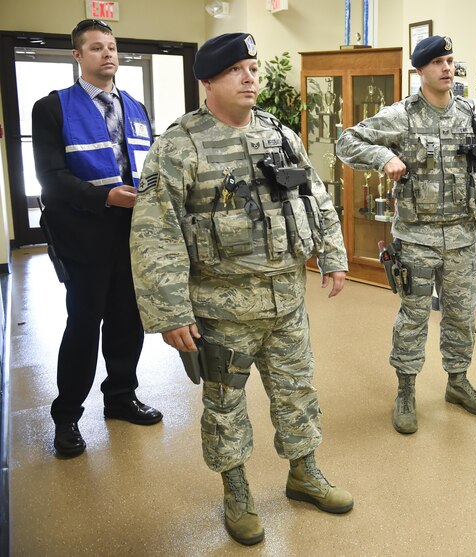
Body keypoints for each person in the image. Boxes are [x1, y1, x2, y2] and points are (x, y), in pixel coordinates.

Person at [129, 33, 353, 546]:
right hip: (221, 309)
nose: (250, 77)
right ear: (207, 81)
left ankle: (303, 473)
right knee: (226, 406)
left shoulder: (279, 134)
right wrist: (170, 311)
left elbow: (315, 195)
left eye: (252, 67)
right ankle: (236, 491)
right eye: (236, 70)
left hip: (287, 301)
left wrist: (333, 255)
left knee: (298, 393)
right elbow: (155, 232)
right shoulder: (178, 146)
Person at [336, 35, 476, 435]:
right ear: (420, 71)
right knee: (413, 318)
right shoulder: (402, 116)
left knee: (462, 317)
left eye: (450, 61)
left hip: (462, 238)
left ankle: (458, 383)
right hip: (416, 240)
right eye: (438, 63)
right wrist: (385, 156)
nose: (447, 68)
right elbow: (348, 141)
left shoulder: (471, 117)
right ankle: (406, 391)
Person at [31, 19, 162, 459]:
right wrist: (104, 196)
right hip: (83, 236)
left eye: (111, 46)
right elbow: (50, 180)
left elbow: (150, 168)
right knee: (84, 326)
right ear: (77, 56)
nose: (107, 54)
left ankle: (121, 396)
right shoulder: (52, 108)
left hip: (133, 234)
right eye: (96, 48)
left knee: (128, 320)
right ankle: (67, 415)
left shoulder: (138, 108)